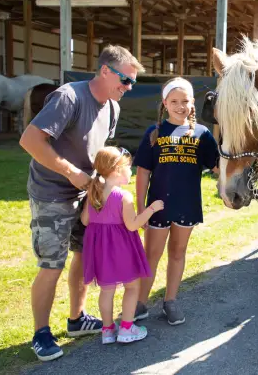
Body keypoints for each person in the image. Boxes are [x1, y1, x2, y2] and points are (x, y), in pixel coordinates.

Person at [19, 44, 143, 361]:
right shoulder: (69, 97)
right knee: (52, 264)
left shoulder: (112, 108)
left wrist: (105, 184)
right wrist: (71, 172)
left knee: (84, 255)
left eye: (132, 83)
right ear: (104, 71)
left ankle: (77, 319)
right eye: (125, 80)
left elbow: (97, 156)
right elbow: (30, 140)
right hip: (51, 193)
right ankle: (41, 333)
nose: (128, 88)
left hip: (86, 194)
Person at [132, 77, 219, 326]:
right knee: (152, 255)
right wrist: (141, 208)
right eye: (174, 101)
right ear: (165, 103)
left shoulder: (202, 134)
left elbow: (216, 166)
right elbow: (143, 172)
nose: (180, 106)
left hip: (187, 205)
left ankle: (170, 301)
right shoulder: (155, 133)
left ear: (193, 103)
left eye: (185, 101)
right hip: (157, 207)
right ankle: (140, 302)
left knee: (178, 253)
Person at [80, 146, 163, 344]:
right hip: (122, 248)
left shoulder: (93, 192)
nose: (131, 170)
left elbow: (84, 221)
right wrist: (152, 209)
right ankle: (126, 328)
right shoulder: (124, 197)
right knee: (132, 287)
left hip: (99, 249)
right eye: (128, 167)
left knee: (106, 290)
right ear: (117, 170)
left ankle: (107, 331)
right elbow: (132, 225)